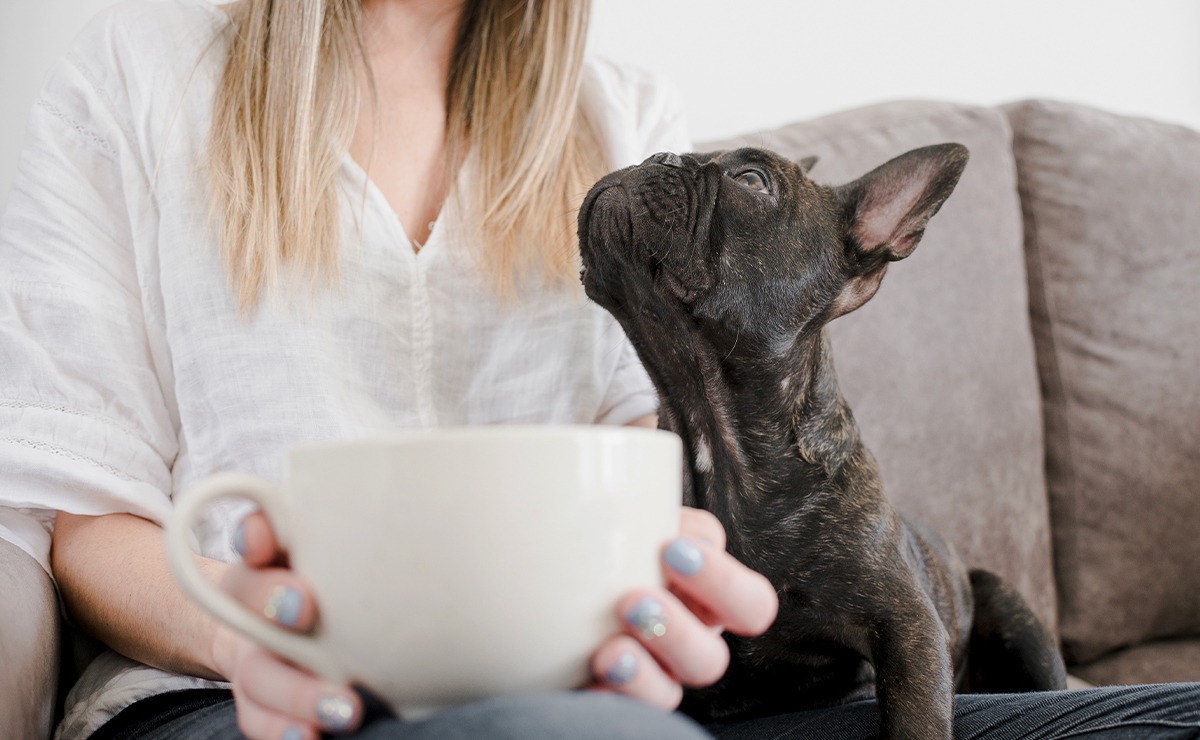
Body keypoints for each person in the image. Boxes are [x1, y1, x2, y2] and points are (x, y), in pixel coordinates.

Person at [0, 1, 1197, 740]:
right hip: (238, 698)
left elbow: (658, 471)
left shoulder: (625, 129)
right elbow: (88, 522)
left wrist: (674, 593)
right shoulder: (134, 78)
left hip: (604, 692)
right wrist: (250, 632)